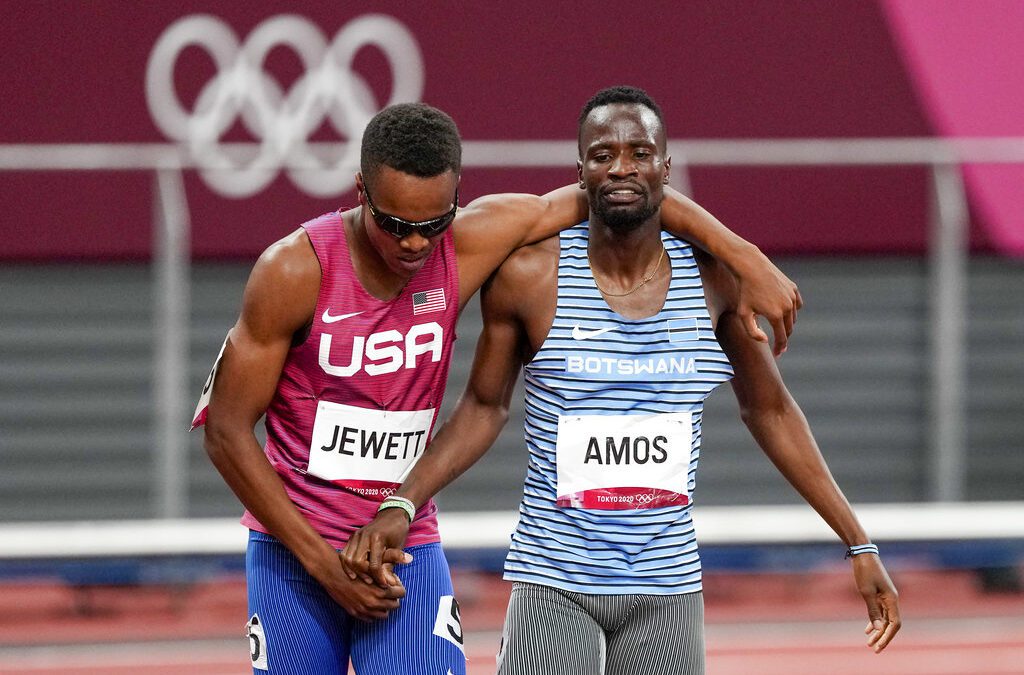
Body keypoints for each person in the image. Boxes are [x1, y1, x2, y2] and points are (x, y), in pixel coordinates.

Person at [195, 101, 801, 675]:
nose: (413, 244)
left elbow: (623, 191)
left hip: (403, 541)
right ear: (361, 192)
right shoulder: (293, 270)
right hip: (295, 550)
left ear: (457, 199)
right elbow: (225, 432)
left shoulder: (468, 243)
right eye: (394, 224)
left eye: (431, 224)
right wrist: (324, 567)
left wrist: (747, 258)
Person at [343, 88, 901, 674]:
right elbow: (483, 407)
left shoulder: (715, 281)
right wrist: (404, 500)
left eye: (640, 153)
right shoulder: (530, 276)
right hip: (553, 582)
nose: (621, 168)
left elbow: (771, 411)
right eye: (602, 155)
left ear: (667, 166)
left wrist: (857, 541)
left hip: (667, 590)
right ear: (579, 170)